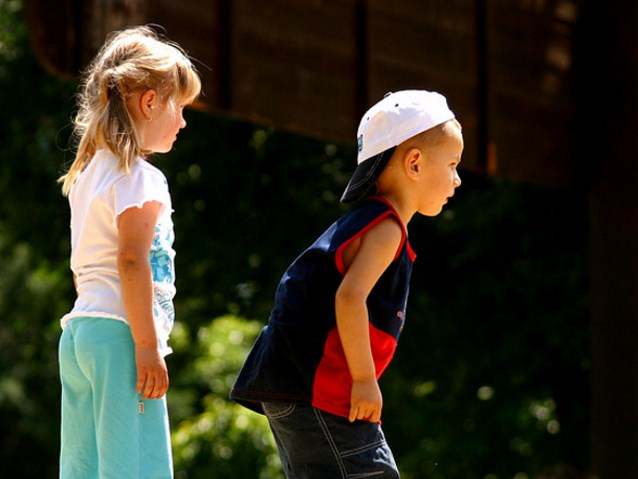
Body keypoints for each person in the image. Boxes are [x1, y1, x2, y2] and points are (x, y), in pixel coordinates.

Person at [230, 90, 463, 478]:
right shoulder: (386, 228)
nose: (456, 180)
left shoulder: (368, 222)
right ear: (415, 163)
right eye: (453, 164)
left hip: (294, 387)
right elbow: (350, 297)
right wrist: (364, 380)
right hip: (320, 392)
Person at [57, 25, 201, 479]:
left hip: (80, 335)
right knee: (136, 468)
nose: (182, 121)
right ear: (149, 102)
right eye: (178, 107)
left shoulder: (87, 174)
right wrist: (147, 345)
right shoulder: (140, 177)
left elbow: (84, 268)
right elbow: (132, 260)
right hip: (122, 337)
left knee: (85, 466)